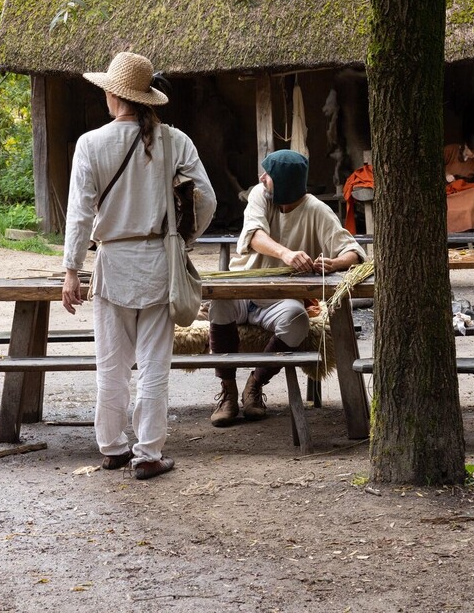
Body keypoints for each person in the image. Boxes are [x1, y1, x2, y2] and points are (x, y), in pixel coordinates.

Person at [61, 52, 216, 480]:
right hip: (158, 264)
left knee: (111, 364)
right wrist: (182, 240)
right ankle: (147, 453)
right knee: (153, 364)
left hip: (112, 262)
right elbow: (207, 199)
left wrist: (71, 269)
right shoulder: (175, 141)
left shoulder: (90, 144)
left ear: (113, 94)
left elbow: (79, 213)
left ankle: (112, 448)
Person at [207, 149, 366, 426]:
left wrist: (334, 263)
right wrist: (286, 254)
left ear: (282, 185)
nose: (261, 178)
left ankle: (255, 385)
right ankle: (229, 392)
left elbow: (354, 252)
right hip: (245, 289)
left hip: (280, 300)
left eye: (267, 175)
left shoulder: (317, 210)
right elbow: (254, 236)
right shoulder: (260, 195)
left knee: (297, 320)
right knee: (219, 305)